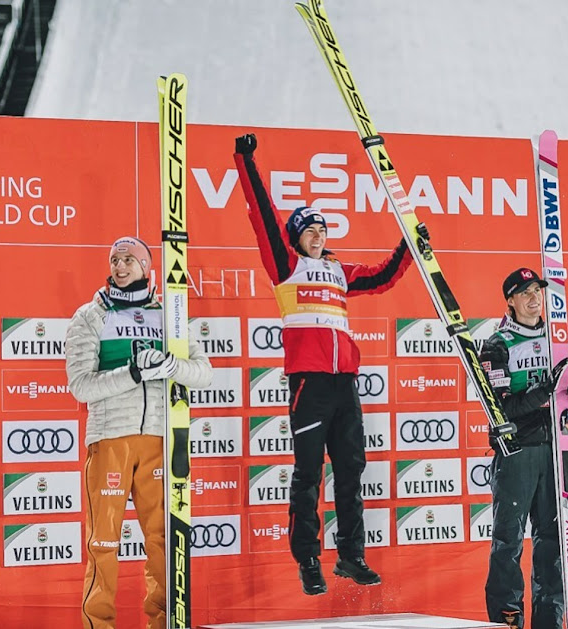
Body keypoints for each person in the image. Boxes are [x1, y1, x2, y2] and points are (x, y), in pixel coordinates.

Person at [234, 133, 426, 596]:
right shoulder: (286, 266)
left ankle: (351, 555)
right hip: (310, 384)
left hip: (345, 385)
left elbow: (382, 276)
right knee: (307, 474)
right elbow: (263, 215)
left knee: (351, 471)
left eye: (322, 228)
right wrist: (246, 160)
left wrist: (410, 247)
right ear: (296, 238)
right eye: (309, 230)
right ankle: (307, 559)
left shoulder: (340, 271)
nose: (318, 235)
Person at [65, 236, 212, 629]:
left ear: (146, 267)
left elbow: (203, 372)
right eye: (115, 259)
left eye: (129, 259)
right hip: (111, 438)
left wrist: (173, 366)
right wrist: (134, 372)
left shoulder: (170, 315)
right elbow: (81, 386)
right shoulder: (90, 315)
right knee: (103, 542)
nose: (120, 266)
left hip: (160, 439)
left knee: (163, 541)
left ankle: (163, 622)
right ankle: (98, 625)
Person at [480, 267, 568, 629]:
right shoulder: (497, 344)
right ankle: (507, 617)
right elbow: (501, 408)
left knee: (553, 539)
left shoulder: (557, 338)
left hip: (556, 449)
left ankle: (550, 619)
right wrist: (544, 390)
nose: (534, 298)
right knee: (508, 540)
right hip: (517, 451)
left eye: (537, 291)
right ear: (510, 300)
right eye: (525, 292)